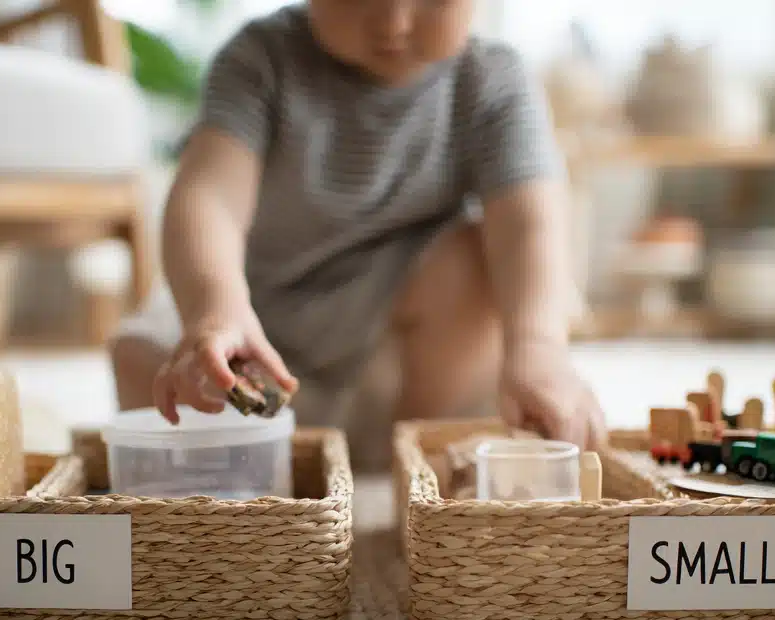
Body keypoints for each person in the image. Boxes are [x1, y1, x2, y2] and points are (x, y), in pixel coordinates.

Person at [110, 0, 607, 452]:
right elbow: (209, 196)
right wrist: (215, 312)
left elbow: (528, 225)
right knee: (141, 359)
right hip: (260, 347)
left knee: (479, 266)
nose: (393, 22)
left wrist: (540, 348)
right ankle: (269, 448)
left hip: (399, 365)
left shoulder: (492, 79)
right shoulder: (261, 59)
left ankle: (414, 454)